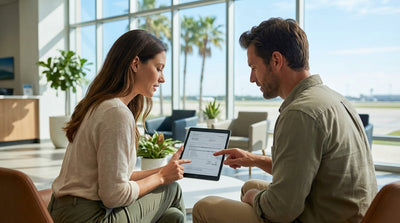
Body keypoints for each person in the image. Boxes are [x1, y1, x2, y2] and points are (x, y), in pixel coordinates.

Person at [192, 18, 377, 223]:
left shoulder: (300, 113)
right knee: (249, 186)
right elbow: (304, 168)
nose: (252, 78)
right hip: (349, 213)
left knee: (204, 207)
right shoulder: (334, 99)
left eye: (254, 67)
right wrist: (253, 159)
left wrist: (255, 199)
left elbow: (282, 210)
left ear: (276, 60)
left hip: (321, 218)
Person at [48, 29, 191, 223]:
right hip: (89, 217)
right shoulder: (116, 113)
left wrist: (165, 170)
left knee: (172, 217)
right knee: (171, 188)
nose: (162, 78)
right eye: (159, 68)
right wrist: (162, 179)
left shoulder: (99, 105)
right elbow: (114, 195)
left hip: (66, 211)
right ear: (135, 63)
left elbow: (117, 176)